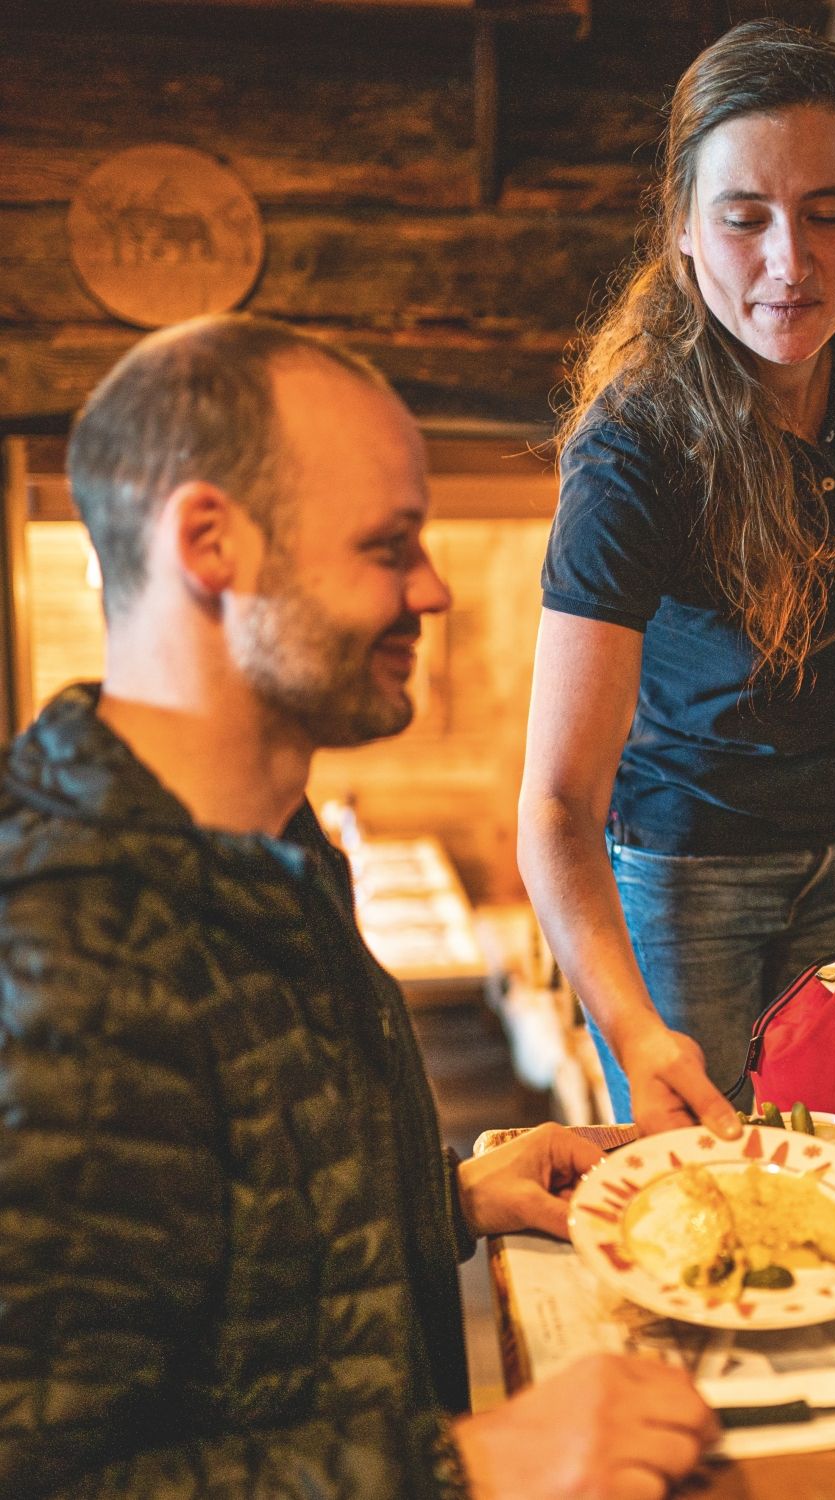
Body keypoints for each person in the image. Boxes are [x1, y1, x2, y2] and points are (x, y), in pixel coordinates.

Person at [0, 315, 716, 1499]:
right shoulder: (71, 965)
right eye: (390, 547)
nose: (431, 589)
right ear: (210, 543)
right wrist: (469, 1467)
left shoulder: (267, 845)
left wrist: (440, 1201)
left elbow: (228, 1258)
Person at [520, 20, 835, 1132]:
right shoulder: (634, 451)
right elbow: (554, 808)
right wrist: (631, 1030)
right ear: (681, 226)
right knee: (705, 1197)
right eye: (744, 220)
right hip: (684, 871)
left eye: (830, 214)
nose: (793, 263)